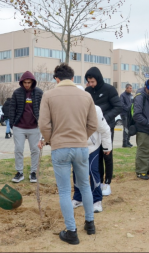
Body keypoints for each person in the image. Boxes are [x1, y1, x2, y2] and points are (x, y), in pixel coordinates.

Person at [38, 63, 97, 245]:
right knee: (85, 186)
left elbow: (44, 124)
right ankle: (90, 224)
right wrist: (81, 138)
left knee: (64, 191)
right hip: (81, 146)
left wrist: (50, 140)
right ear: (73, 78)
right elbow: (93, 124)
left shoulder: (48, 95)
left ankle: (71, 231)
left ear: (56, 79)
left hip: (60, 147)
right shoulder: (86, 95)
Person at [72, 85, 112, 213]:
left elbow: (105, 129)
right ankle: (78, 198)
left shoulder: (95, 110)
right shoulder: (68, 109)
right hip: (76, 145)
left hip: (92, 146)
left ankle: (97, 200)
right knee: (76, 172)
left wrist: (106, 147)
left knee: (93, 171)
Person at [85, 67, 122, 196]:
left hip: (107, 127)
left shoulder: (109, 89)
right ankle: (98, 182)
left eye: (93, 81)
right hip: (93, 129)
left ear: (98, 79)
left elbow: (118, 106)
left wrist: (103, 119)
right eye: (89, 82)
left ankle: (107, 183)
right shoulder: (88, 91)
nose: (91, 84)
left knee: (107, 154)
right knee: (96, 155)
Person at [9, 71, 43, 183]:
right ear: (22, 82)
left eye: (29, 82)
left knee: (35, 150)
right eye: (25, 82)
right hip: (19, 126)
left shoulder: (39, 92)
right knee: (18, 149)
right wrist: (12, 124)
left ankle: (34, 172)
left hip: (34, 127)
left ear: (33, 82)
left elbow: (43, 109)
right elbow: (12, 108)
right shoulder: (17, 92)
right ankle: (19, 173)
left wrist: (42, 123)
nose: (27, 84)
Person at [133, 79, 149, 180]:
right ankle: (140, 171)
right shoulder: (140, 97)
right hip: (143, 128)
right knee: (144, 149)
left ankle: (147, 168)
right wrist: (147, 123)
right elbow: (137, 114)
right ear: (147, 87)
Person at [120, 83, 133, 148]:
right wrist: (128, 108)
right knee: (125, 128)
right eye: (130, 88)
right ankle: (124, 143)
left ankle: (128, 141)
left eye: (131, 88)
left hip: (130, 114)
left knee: (129, 128)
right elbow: (122, 104)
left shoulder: (131, 95)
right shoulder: (122, 95)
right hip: (124, 114)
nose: (131, 89)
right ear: (126, 88)